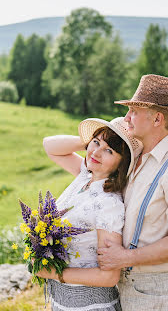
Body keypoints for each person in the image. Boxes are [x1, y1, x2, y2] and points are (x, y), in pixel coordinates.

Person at [98, 74, 168, 311]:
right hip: (122, 281)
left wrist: (125, 258)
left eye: (134, 111)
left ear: (157, 118)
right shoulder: (137, 156)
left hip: (155, 289)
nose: (126, 118)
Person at [36, 117, 142, 311]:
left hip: (90, 306)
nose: (96, 152)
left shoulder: (109, 204)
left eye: (109, 150)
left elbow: (109, 276)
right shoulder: (85, 175)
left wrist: (54, 273)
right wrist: (91, 140)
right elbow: (49, 145)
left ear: (121, 164)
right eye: (96, 143)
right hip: (62, 301)